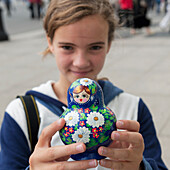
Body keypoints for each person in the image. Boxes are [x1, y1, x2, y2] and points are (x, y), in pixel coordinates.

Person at [0, 0, 168, 169]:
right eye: (67, 47)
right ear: (50, 42)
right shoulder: (21, 113)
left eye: (95, 47)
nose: (80, 62)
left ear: (109, 44)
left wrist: (141, 166)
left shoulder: (134, 109)